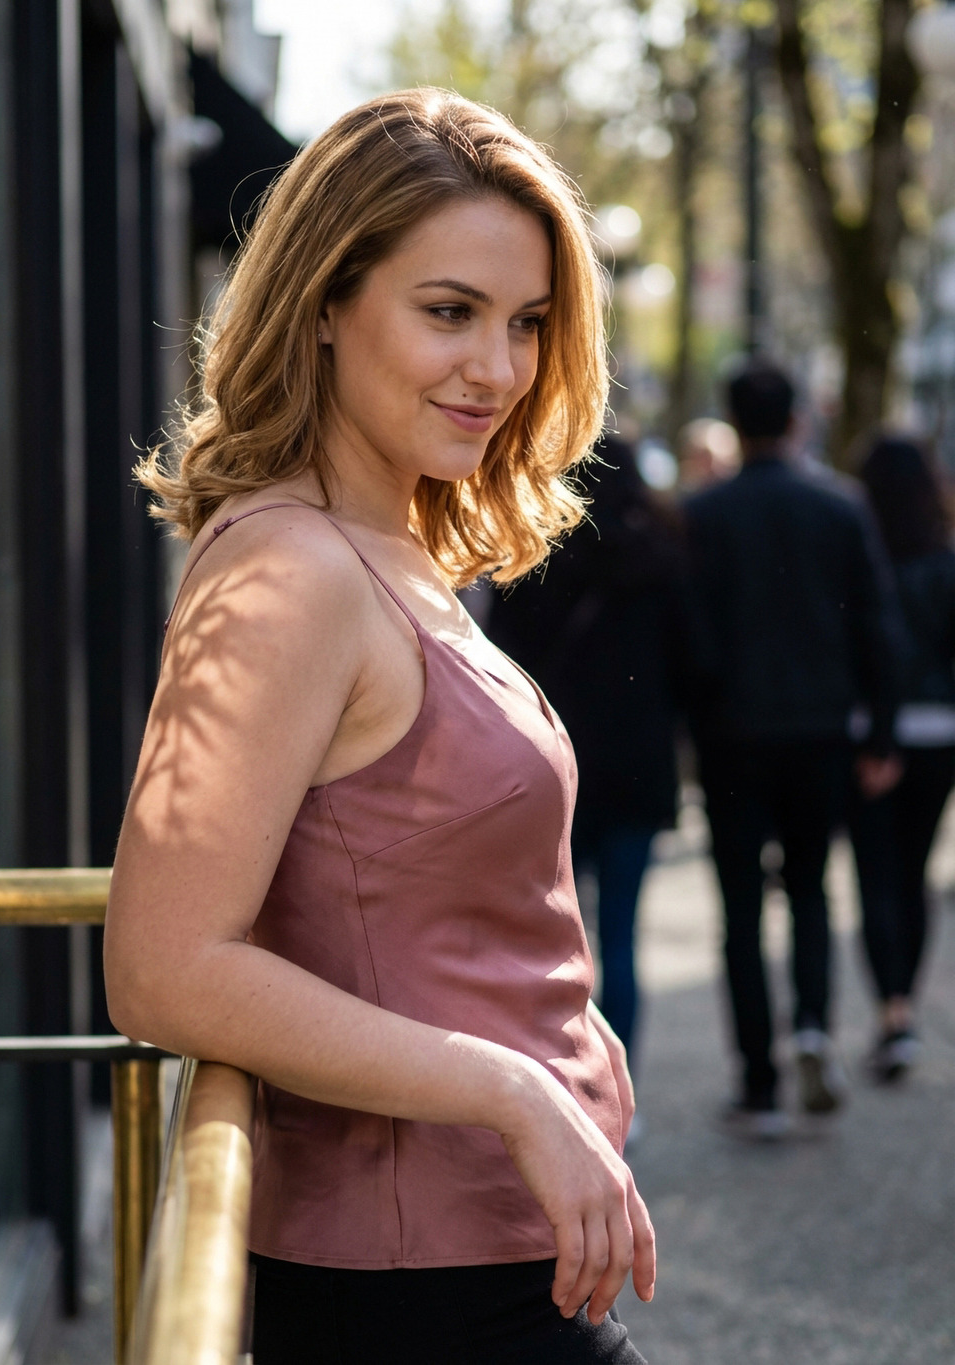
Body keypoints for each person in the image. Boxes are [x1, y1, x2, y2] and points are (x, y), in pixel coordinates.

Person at [103, 89, 654, 1364]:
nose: (499, 369)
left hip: (496, 1261)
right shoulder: (288, 575)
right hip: (420, 1298)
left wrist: (563, 1045)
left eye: (525, 325)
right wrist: (514, 1088)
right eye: (448, 312)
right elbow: (162, 965)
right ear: (326, 304)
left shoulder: (390, 543)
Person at [683, 359, 901, 1139]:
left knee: (740, 909)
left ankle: (759, 1082)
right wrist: (880, 731)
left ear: (735, 424)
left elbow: (691, 635)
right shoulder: (838, 510)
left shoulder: (703, 515)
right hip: (818, 732)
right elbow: (877, 625)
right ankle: (811, 1023)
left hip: (733, 736)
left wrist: (693, 723)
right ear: (798, 419)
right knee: (810, 888)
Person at [488, 435, 695, 1076]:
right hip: (638, 766)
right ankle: (619, 1089)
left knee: (552, 940)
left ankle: (558, 1077)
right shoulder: (662, 558)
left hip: (553, 773)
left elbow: (497, 658)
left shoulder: (532, 556)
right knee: (624, 935)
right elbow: (695, 664)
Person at [849, 433, 955, 1082]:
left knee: (875, 875)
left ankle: (890, 1009)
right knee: (914, 873)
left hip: (867, 733)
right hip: (940, 732)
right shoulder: (946, 564)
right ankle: (904, 1006)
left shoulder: (863, 559)